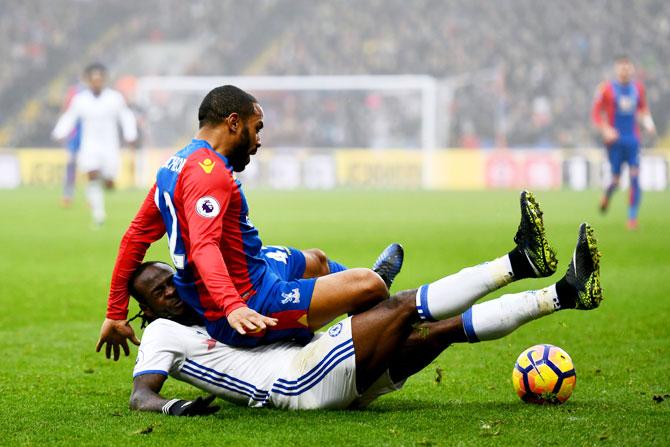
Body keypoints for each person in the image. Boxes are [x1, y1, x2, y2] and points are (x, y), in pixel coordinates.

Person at [127, 215, 602, 414]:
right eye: (158, 291)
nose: (171, 291)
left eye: (171, 280)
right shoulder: (163, 333)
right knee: (402, 307)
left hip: (314, 364)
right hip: (292, 385)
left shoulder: (218, 301)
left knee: (438, 332)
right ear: (145, 310)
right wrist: (172, 405)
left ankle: (564, 293)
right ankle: (520, 261)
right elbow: (140, 395)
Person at [97, 85, 414, 356]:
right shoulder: (209, 174)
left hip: (256, 267)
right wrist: (233, 306)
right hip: (253, 298)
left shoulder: (176, 164)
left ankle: (372, 305)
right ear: (234, 123)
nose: (259, 140)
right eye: (257, 127)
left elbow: (135, 236)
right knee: (368, 284)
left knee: (317, 259)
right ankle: (385, 316)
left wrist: (115, 313)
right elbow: (203, 247)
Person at [52, 63, 138, 226]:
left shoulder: (114, 98)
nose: (96, 83)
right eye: (93, 80)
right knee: (92, 175)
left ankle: (108, 180)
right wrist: (59, 132)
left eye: (99, 80)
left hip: (110, 146)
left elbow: (125, 116)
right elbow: (70, 117)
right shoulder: (81, 100)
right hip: (90, 145)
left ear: (104, 80)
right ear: (88, 81)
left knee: (108, 182)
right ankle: (99, 216)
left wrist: (130, 134)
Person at [592, 55, 656, 230]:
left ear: (632, 69)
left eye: (628, 67)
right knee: (616, 179)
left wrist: (649, 123)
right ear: (616, 69)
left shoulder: (638, 88)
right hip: (615, 141)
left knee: (635, 175)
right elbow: (596, 113)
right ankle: (608, 192)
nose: (625, 70)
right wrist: (605, 130)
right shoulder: (606, 89)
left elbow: (643, 109)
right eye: (622, 67)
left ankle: (632, 218)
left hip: (633, 139)